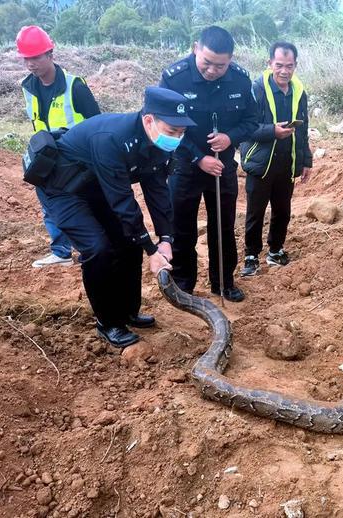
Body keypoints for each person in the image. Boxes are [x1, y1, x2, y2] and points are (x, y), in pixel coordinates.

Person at [39, 87, 196, 348]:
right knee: (98, 249)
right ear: (149, 120)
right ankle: (108, 322)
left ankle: (128, 312)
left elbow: (158, 192)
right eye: (172, 131)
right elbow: (123, 202)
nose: (177, 139)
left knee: (129, 242)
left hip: (95, 186)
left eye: (182, 133)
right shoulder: (111, 138)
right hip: (63, 189)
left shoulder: (159, 143)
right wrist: (151, 250)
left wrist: (165, 239)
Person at [159, 26, 258, 302]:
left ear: (231, 60)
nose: (213, 70)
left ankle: (224, 282)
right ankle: (182, 284)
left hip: (222, 166)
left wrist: (230, 137)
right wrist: (197, 157)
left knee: (223, 225)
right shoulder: (174, 79)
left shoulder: (239, 80)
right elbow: (164, 125)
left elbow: (251, 121)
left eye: (221, 65)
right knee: (182, 226)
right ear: (195, 49)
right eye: (207, 63)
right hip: (184, 165)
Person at [16, 25, 101, 268]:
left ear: (50, 55)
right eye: (26, 58)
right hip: (47, 156)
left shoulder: (74, 85)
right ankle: (61, 251)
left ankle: (89, 248)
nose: (31, 64)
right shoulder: (28, 87)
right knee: (48, 203)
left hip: (77, 159)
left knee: (82, 204)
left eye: (36, 57)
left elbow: (96, 121)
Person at [239, 41, 313, 277]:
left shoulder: (299, 92)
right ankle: (251, 256)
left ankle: (276, 250)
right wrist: (272, 131)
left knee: (283, 210)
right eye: (279, 65)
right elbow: (245, 127)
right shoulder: (256, 89)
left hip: (286, 161)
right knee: (255, 212)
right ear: (269, 63)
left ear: (295, 65)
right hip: (260, 162)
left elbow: (303, 128)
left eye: (289, 66)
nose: (284, 71)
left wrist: (306, 160)